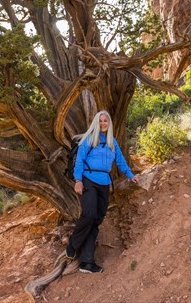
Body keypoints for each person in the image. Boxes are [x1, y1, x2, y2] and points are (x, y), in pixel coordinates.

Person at [66, 110, 138, 273]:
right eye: (100, 121)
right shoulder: (90, 139)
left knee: (96, 220)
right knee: (89, 214)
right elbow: (79, 161)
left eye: (106, 121)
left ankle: (87, 262)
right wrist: (78, 181)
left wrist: (130, 175)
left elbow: (120, 161)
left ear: (109, 123)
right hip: (88, 179)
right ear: (96, 123)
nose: (103, 123)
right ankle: (73, 243)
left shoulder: (113, 142)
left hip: (105, 183)